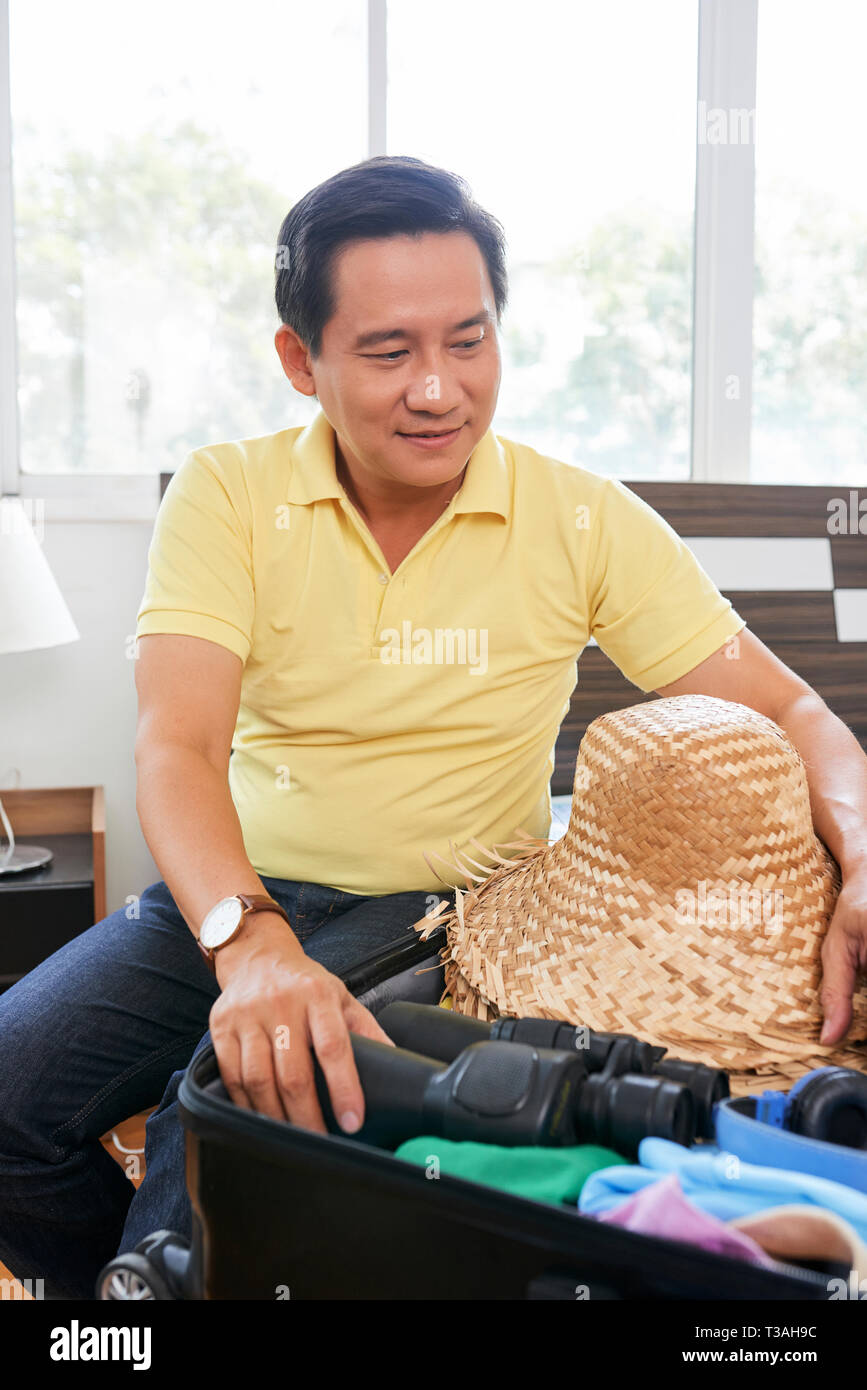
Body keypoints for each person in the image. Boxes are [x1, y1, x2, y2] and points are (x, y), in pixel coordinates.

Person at [1, 155, 866, 1301]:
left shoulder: (581, 516)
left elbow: (795, 707)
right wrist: (247, 940)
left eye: (469, 340)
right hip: (231, 894)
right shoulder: (227, 493)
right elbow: (177, 746)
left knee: (212, 1127)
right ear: (300, 361)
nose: (438, 389)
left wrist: (859, 847)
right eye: (390, 350)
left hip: (443, 915)